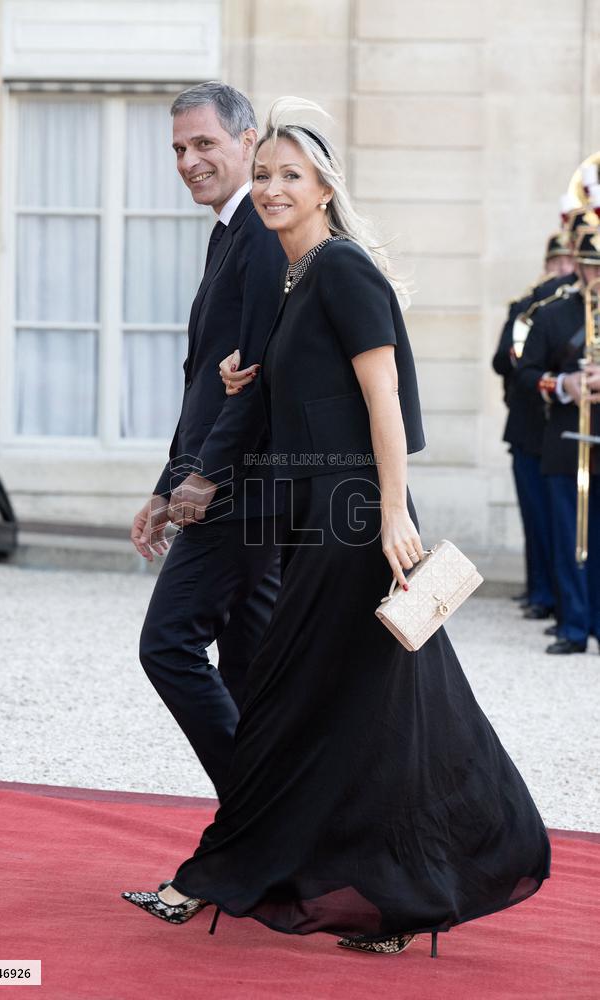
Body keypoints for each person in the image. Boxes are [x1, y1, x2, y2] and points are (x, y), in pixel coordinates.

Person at [123, 97, 550, 957]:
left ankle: (220, 876)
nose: (272, 188)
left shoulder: (342, 268)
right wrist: (251, 383)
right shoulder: (295, 281)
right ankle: (394, 897)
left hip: (358, 528)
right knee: (371, 716)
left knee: (315, 707)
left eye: (291, 175)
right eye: (265, 175)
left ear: (325, 188)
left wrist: (391, 515)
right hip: (318, 523)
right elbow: (314, 394)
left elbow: (383, 399)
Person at [130, 83, 286, 800]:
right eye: (178, 149)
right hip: (228, 484)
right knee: (249, 667)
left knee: (168, 646)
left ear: (248, 141)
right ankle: (268, 828)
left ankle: (258, 815)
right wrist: (168, 481)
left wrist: (202, 479)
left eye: (204, 144)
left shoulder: (260, 232)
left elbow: (255, 381)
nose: (188, 161)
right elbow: (205, 380)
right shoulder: (231, 229)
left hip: (238, 490)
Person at [515, 226, 600, 654]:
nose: (596, 276)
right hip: (566, 440)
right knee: (569, 538)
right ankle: (574, 626)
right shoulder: (553, 314)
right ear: (579, 269)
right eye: (591, 267)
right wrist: (564, 384)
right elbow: (525, 373)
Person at [492, 231, 576, 619]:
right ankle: (541, 591)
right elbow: (502, 362)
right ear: (547, 265)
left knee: (565, 522)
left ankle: (566, 599)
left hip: (564, 429)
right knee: (537, 517)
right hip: (529, 427)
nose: (564, 269)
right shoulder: (528, 305)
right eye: (557, 262)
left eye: (570, 262)